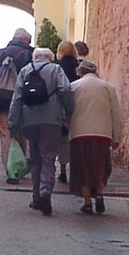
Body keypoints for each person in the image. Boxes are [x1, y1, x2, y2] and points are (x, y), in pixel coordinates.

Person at [8, 47, 74, 216]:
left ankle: (36, 197)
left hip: (29, 120)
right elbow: (65, 90)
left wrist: (13, 123)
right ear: (50, 58)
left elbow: (17, 98)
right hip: (51, 120)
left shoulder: (25, 71)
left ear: (34, 58)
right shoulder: (56, 69)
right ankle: (46, 192)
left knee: (35, 158)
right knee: (48, 157)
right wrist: (69, 110)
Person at [68, 59, 122, 214]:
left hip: (79, 134)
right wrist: (116, 136)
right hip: (102, 134)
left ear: (80, 72)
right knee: (100, 167)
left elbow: (68, 111)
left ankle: (87, 203)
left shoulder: (73, 87)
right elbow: (116, 114)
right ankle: (99, 193)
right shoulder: (108, 88)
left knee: (82, 169)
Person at [0, 28, 33, 182]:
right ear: (25, 41)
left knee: (5, 135)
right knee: (21, 134)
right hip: (21, 102)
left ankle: (10, 171)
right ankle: (19, 168)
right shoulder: (28, 56)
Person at [55, 40, 79, 183]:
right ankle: (75, 170)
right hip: (78, 105)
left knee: (63, 140)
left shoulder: (57, 67)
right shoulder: (79, 66)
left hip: (62, 106)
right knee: (76, 138)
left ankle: (63, 171)